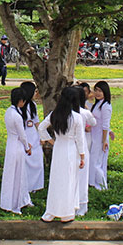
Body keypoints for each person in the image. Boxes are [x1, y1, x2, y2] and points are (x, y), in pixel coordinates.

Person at [38, 86, 86, 222]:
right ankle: (66, 213)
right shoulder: (77, 117)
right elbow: (80, 139)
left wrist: (51, 141)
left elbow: (41, 127)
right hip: (71, 150)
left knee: (56, 180)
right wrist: (82, 156)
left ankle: (50, 212)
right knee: (69, 180)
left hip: (59, 147)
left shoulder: (54, 114)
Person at [0, 87, 33, 214]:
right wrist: (27, 147)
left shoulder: (9, 112)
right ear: (21, 100)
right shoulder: (17, 115)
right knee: (17, 174)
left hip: (11, 143)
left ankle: (17, 199)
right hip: (17, 145)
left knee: (11, 173)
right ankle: (15, 203)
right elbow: (22, 135)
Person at [75, 85, 97, 216]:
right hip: (81, 145)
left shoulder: (64, 112)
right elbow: (93, 123)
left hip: (69, 147)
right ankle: (82, 204)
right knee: (82, 176)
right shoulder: (84, 112)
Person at [20, 81, 44, 192]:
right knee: (25, 162)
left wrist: (41, 135)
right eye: (34, 91)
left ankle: (35, 185)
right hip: (24, 135)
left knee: (37, 160)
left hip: (33, 135)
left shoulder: (32, 105)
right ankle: (26, 186)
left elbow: (36, 122)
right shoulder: (19, 106)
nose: (36, 94)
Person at [89, 81, 112, 190]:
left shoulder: (106, 106)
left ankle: (102, 186)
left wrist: (104, 141)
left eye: (100, 91)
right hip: (94, 136)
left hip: (100, 138)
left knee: (97, 163)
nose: (97, 93)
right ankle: (94, 183)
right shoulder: (97, 104)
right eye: (96, 90)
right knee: (94, 161)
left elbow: (105, 125)